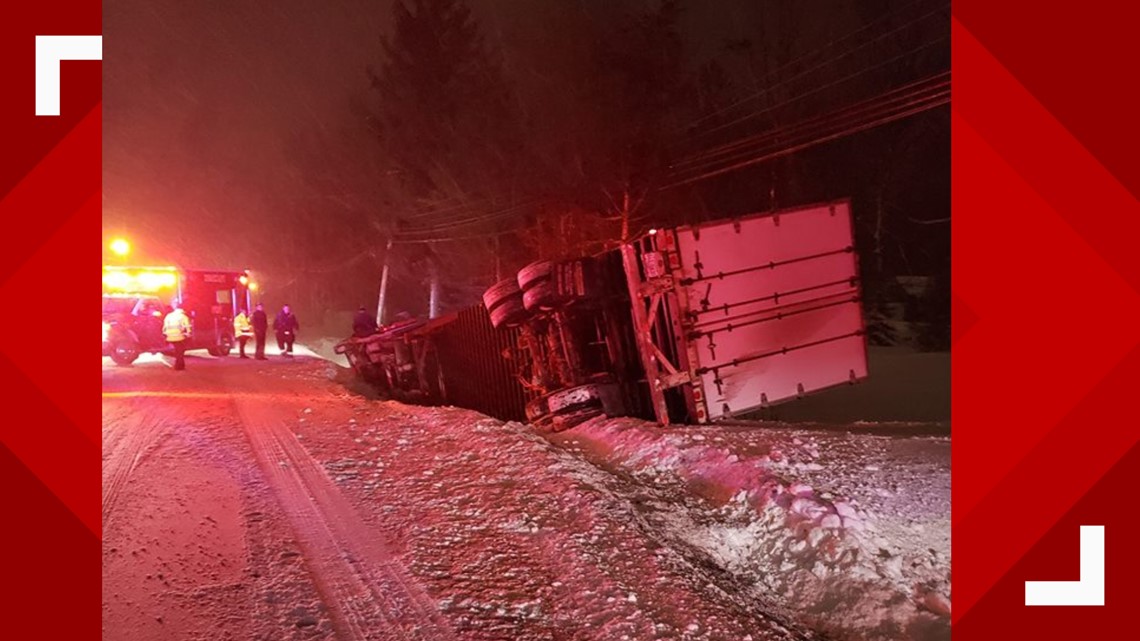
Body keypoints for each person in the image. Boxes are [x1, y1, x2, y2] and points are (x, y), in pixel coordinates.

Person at [162, 302, 192, 371]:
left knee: (178, 350)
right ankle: (179, 366)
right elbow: (187, 326)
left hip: (169, 336)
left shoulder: (169, 315)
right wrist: (188, 334)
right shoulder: (183, 316)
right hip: (179, 336)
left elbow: (164, 327)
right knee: (180, 351)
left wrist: (166, 334)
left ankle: (180, 365)